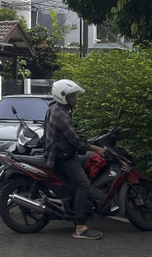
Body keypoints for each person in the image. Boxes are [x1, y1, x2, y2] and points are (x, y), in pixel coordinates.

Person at [44, 79, 106, 240]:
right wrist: (96, 148)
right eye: (72, 97)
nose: (75, 100)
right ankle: (80, 227)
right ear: (63, 96)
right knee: (84, 184)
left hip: (53, 152)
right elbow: (77, 143)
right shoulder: (63, 116)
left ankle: (76, 208)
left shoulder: (53, 109)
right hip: (62, 156)